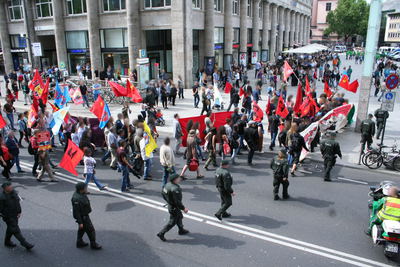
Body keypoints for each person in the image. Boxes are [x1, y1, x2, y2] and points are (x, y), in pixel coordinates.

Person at [0, 182, 34, 250]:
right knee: (15, 229)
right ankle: (24, 243)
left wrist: (19, 212)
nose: (11, 187)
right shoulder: (2, 197)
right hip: (8, 216)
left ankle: (7, 242)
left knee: (11, 228)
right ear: (5, 188)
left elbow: (17, 203)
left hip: (15, 214)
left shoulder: (14, 193)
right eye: (10, 186)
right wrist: (4, 215)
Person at [157, 174, 189, 242]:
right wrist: (184, 208)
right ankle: (161, 233)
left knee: (179, 217)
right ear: (175, 180)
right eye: (178, 178)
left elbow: (162, 193)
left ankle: (181, 229)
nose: (179, 179)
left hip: (171, 205)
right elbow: (177, 202)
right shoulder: (175, 189)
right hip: (174, 208)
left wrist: (168, 201)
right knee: (172, 222)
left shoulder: (167, 185)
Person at [71, 182, 102, 249]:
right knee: (91, 230)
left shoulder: (80, 194)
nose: (86, 189)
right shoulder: (77, 198)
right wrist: (80, 222)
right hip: (83, 217)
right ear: (81, 189)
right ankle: (93, 244)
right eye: (85, 188)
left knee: (82, 229)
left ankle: (79, 242)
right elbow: (76, 212)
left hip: (84, 215)